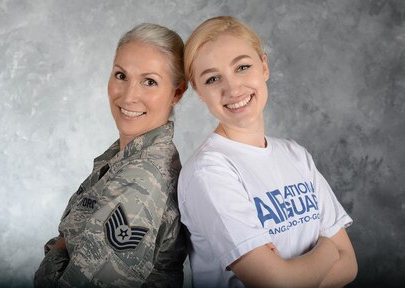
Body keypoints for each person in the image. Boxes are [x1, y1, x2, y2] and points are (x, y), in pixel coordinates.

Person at [178, 16, 358, 288]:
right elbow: (278, 283)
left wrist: (291, 272)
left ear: (264, 67)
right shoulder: (209, 172)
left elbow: (349, 265)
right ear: (198, 90)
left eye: (242, 67)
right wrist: (328, 249)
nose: (233, 88)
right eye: (213, 78)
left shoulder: (295, 155)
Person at [34, 23, 188, 287]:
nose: (129, 96)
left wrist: (60, 249)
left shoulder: (142, 180)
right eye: (121, 75)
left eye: (149, 82)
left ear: (176, 92)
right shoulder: (125, 155)